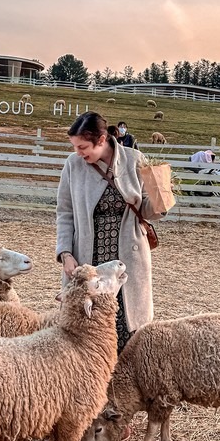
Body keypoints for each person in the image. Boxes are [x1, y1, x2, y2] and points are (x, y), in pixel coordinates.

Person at [56, 111, 162, 354]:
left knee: (127, 325)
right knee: (85, 324)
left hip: (128, 255)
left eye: (83, 147)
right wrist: (65, 253)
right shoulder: (73, 166)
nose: (78, 153)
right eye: (75, 147)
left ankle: (124, 388)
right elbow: (64, 212)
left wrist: (160, 200)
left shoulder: (135, 160)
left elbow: (146, 210)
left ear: (102, 140)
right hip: (88, 254)